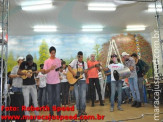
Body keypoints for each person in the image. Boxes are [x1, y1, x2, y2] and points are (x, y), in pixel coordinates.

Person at [17, 54, 40, 120]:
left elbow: (35, 74)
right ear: (27, 61)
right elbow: (18, 72)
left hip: (33, 85)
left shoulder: (34, 65)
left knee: (35, 101)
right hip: (25, 86)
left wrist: (37, 73)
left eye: (31, 62)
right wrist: (25, 73)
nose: (30, 63)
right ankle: (27, 118)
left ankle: (37, 117)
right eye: (29, 62)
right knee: (26, 102)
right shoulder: (23, 64)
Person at [41, 46, 61, 117]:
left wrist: (59, 69)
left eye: (54, 53)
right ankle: (51, 114)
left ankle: (59, 114)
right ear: (50, 53)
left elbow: (59, 69)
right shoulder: (46, 61)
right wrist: (51, 68)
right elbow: (44, 72)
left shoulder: (58, 60)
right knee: (50, 98)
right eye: (52, 53)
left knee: (58, 98)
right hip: (49, 82)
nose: (53, 54)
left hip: (57, 82)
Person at [68, 51, 88, 117]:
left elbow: (86, 74)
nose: (81, 58)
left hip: (83, 81)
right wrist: (74, 74)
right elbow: (69, 67)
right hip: (76, 82)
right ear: (77, 56)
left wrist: (86, 72)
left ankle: (83, 110)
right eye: (79, 57)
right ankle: (79, 110)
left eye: (82, 57)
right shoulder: (74, 61)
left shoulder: (84, 63)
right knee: (77, 97)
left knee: (83, 96)